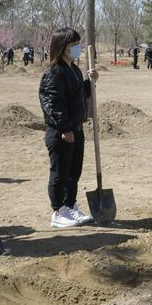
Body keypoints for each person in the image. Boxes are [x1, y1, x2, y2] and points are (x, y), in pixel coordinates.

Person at [38, 28, 98, 229]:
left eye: (77, 44)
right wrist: (65, 128)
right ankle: (58, 211)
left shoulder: (74, 69)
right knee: (60, 173)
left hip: (76, 129)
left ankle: (70, 205)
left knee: (74, 172)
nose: (77, 48)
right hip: (61, 132)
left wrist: (90, 84)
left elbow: (78, 96)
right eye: (73, 45)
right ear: (62, 47)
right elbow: (52, 103)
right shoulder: (54, 73)